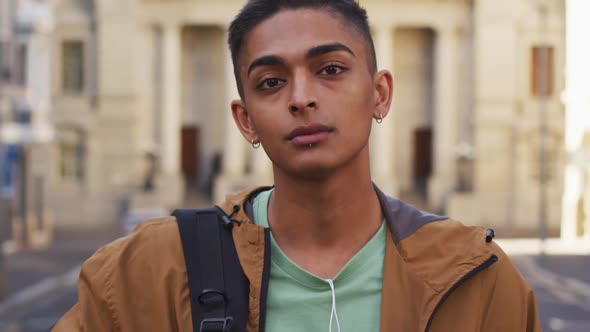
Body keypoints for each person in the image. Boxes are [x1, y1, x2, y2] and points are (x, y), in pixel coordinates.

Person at [54, 0, 541, 331]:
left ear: (380, 94)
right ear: (245, 121)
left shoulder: (478, 280)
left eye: (330, 70)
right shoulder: (143, 275)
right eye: (270, 82)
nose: (302, 98)